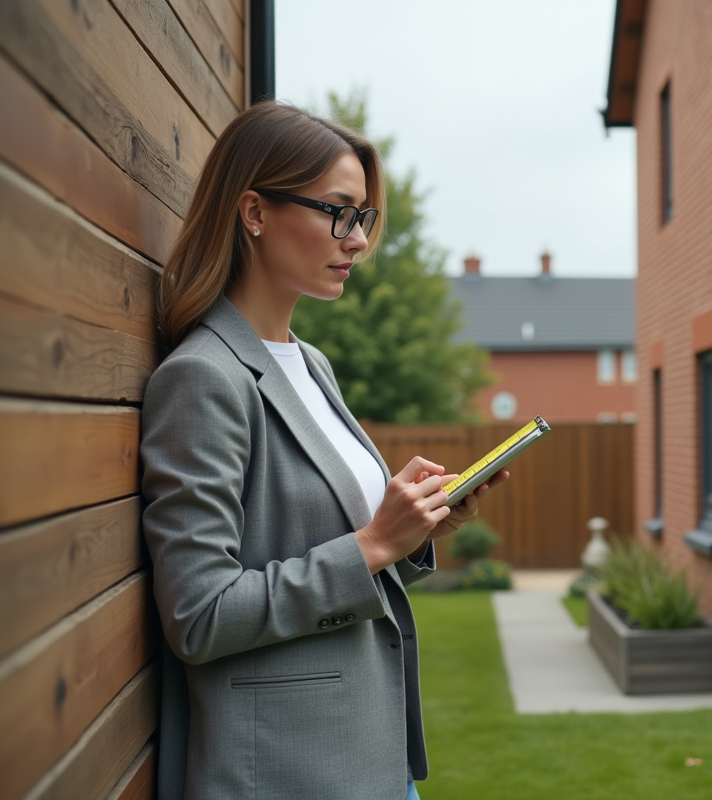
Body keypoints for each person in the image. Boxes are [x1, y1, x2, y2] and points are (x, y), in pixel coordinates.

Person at [140, 101, 503, 800]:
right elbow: (198, 614)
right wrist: (371, 544)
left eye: (363, 217)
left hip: (369, 754)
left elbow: (320, 551)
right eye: (339, 212)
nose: (358, 240)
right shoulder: (202, 379)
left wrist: (413, 531)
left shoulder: (310, 364)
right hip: (286, 771)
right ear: (254, 212)